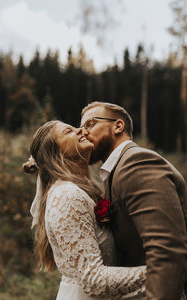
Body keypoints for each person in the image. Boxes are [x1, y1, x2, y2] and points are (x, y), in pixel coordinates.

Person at [23, 120, 146, 300]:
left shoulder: (81, 191)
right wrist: (165, 271)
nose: (81, 130)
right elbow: (94, 281)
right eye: (69, 131)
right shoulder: (67, 196)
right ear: (56, 153)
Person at [80, 101, 187, 300]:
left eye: (90, 124)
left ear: (118, 126)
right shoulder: (115, 171)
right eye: (80, 127)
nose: (83, 133)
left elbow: (166, 252)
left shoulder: (137, 163)